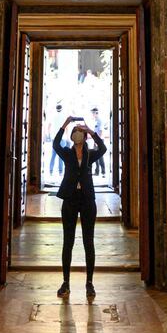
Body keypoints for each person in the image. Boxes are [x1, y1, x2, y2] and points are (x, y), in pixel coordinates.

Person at [53, 114, 107, 300]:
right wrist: (66, 123)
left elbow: (104, 148)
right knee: (68, 242)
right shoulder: (67, 154)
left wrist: (90, 131)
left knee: (88, 241)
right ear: (72, 135)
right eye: (75, 132)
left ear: (84, 137)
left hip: (86, 200)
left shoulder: (90, 154)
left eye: (80, 132)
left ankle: (89, 283)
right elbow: (55, 145)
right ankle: (66, 282)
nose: (77, 134)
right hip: (69, 198)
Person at [90, 107, 106, 178]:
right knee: (96, 155)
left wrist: (97, 141)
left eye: (93, 113)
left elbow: (101, 131)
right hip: (96, 140)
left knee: (100, 155)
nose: (92, 114)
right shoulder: (95, 120)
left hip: (99, 140)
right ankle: (97, 171)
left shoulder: (99, 121)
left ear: (96, 113)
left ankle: (103, 171)